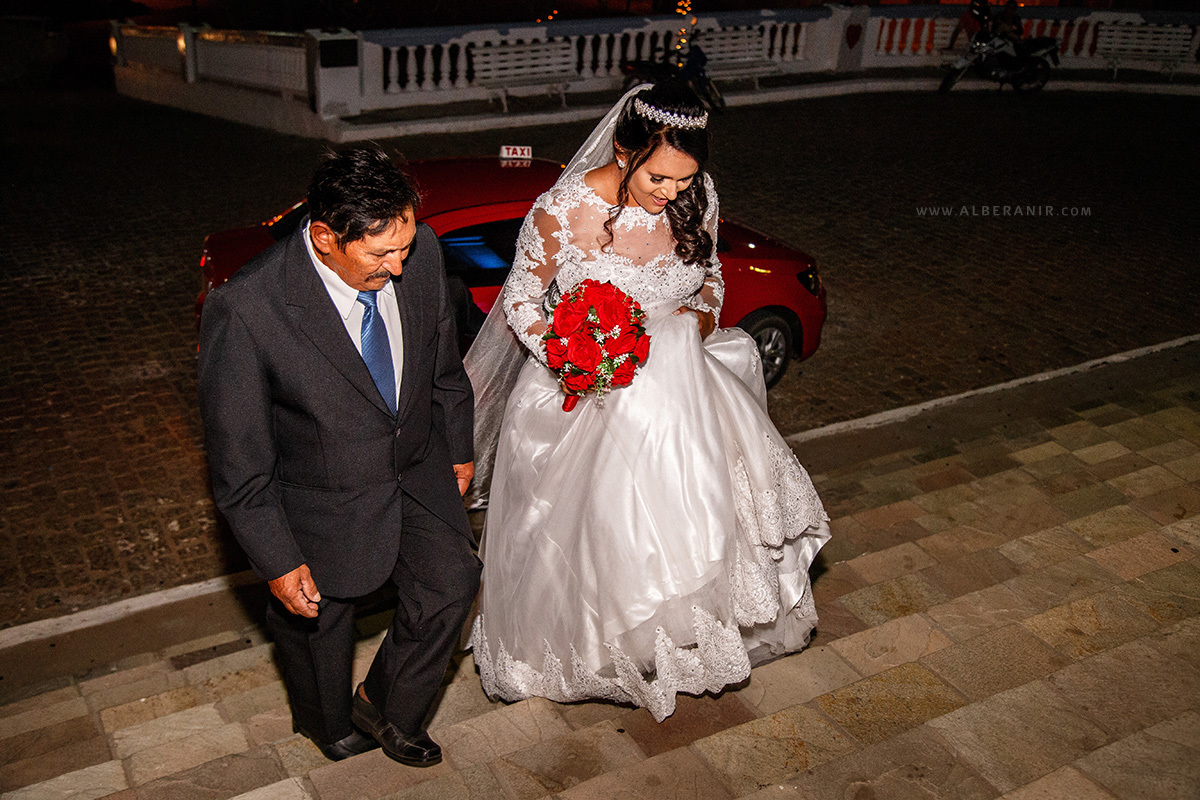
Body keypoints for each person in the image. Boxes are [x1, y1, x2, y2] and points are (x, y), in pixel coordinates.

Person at [465, 81, 831, 722]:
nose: (673, 194)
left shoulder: (697, 197)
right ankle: (605, 645)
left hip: (687, 379)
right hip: (592, 388)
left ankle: (680, 639)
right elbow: (520, 301)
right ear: (622, 147)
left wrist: (698, 318)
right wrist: (571, 354)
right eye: (660, 178)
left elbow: (711, 276)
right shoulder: (564, 210)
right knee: (614, 532)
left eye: (685, 181)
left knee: (705, 508)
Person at [198, 147, 480, 766]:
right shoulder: (247, 309)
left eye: (405, 246)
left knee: (452, 582)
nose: (400, 265)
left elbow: (442, 363)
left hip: (417, 466)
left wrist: (459, 445)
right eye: (380, 254)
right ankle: (327, 723)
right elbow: (239, 462)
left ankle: (386, 703)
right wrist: (275, 557)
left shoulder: (421, 250)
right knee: (322, 629)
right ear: (324, 237)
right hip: (319, 498)